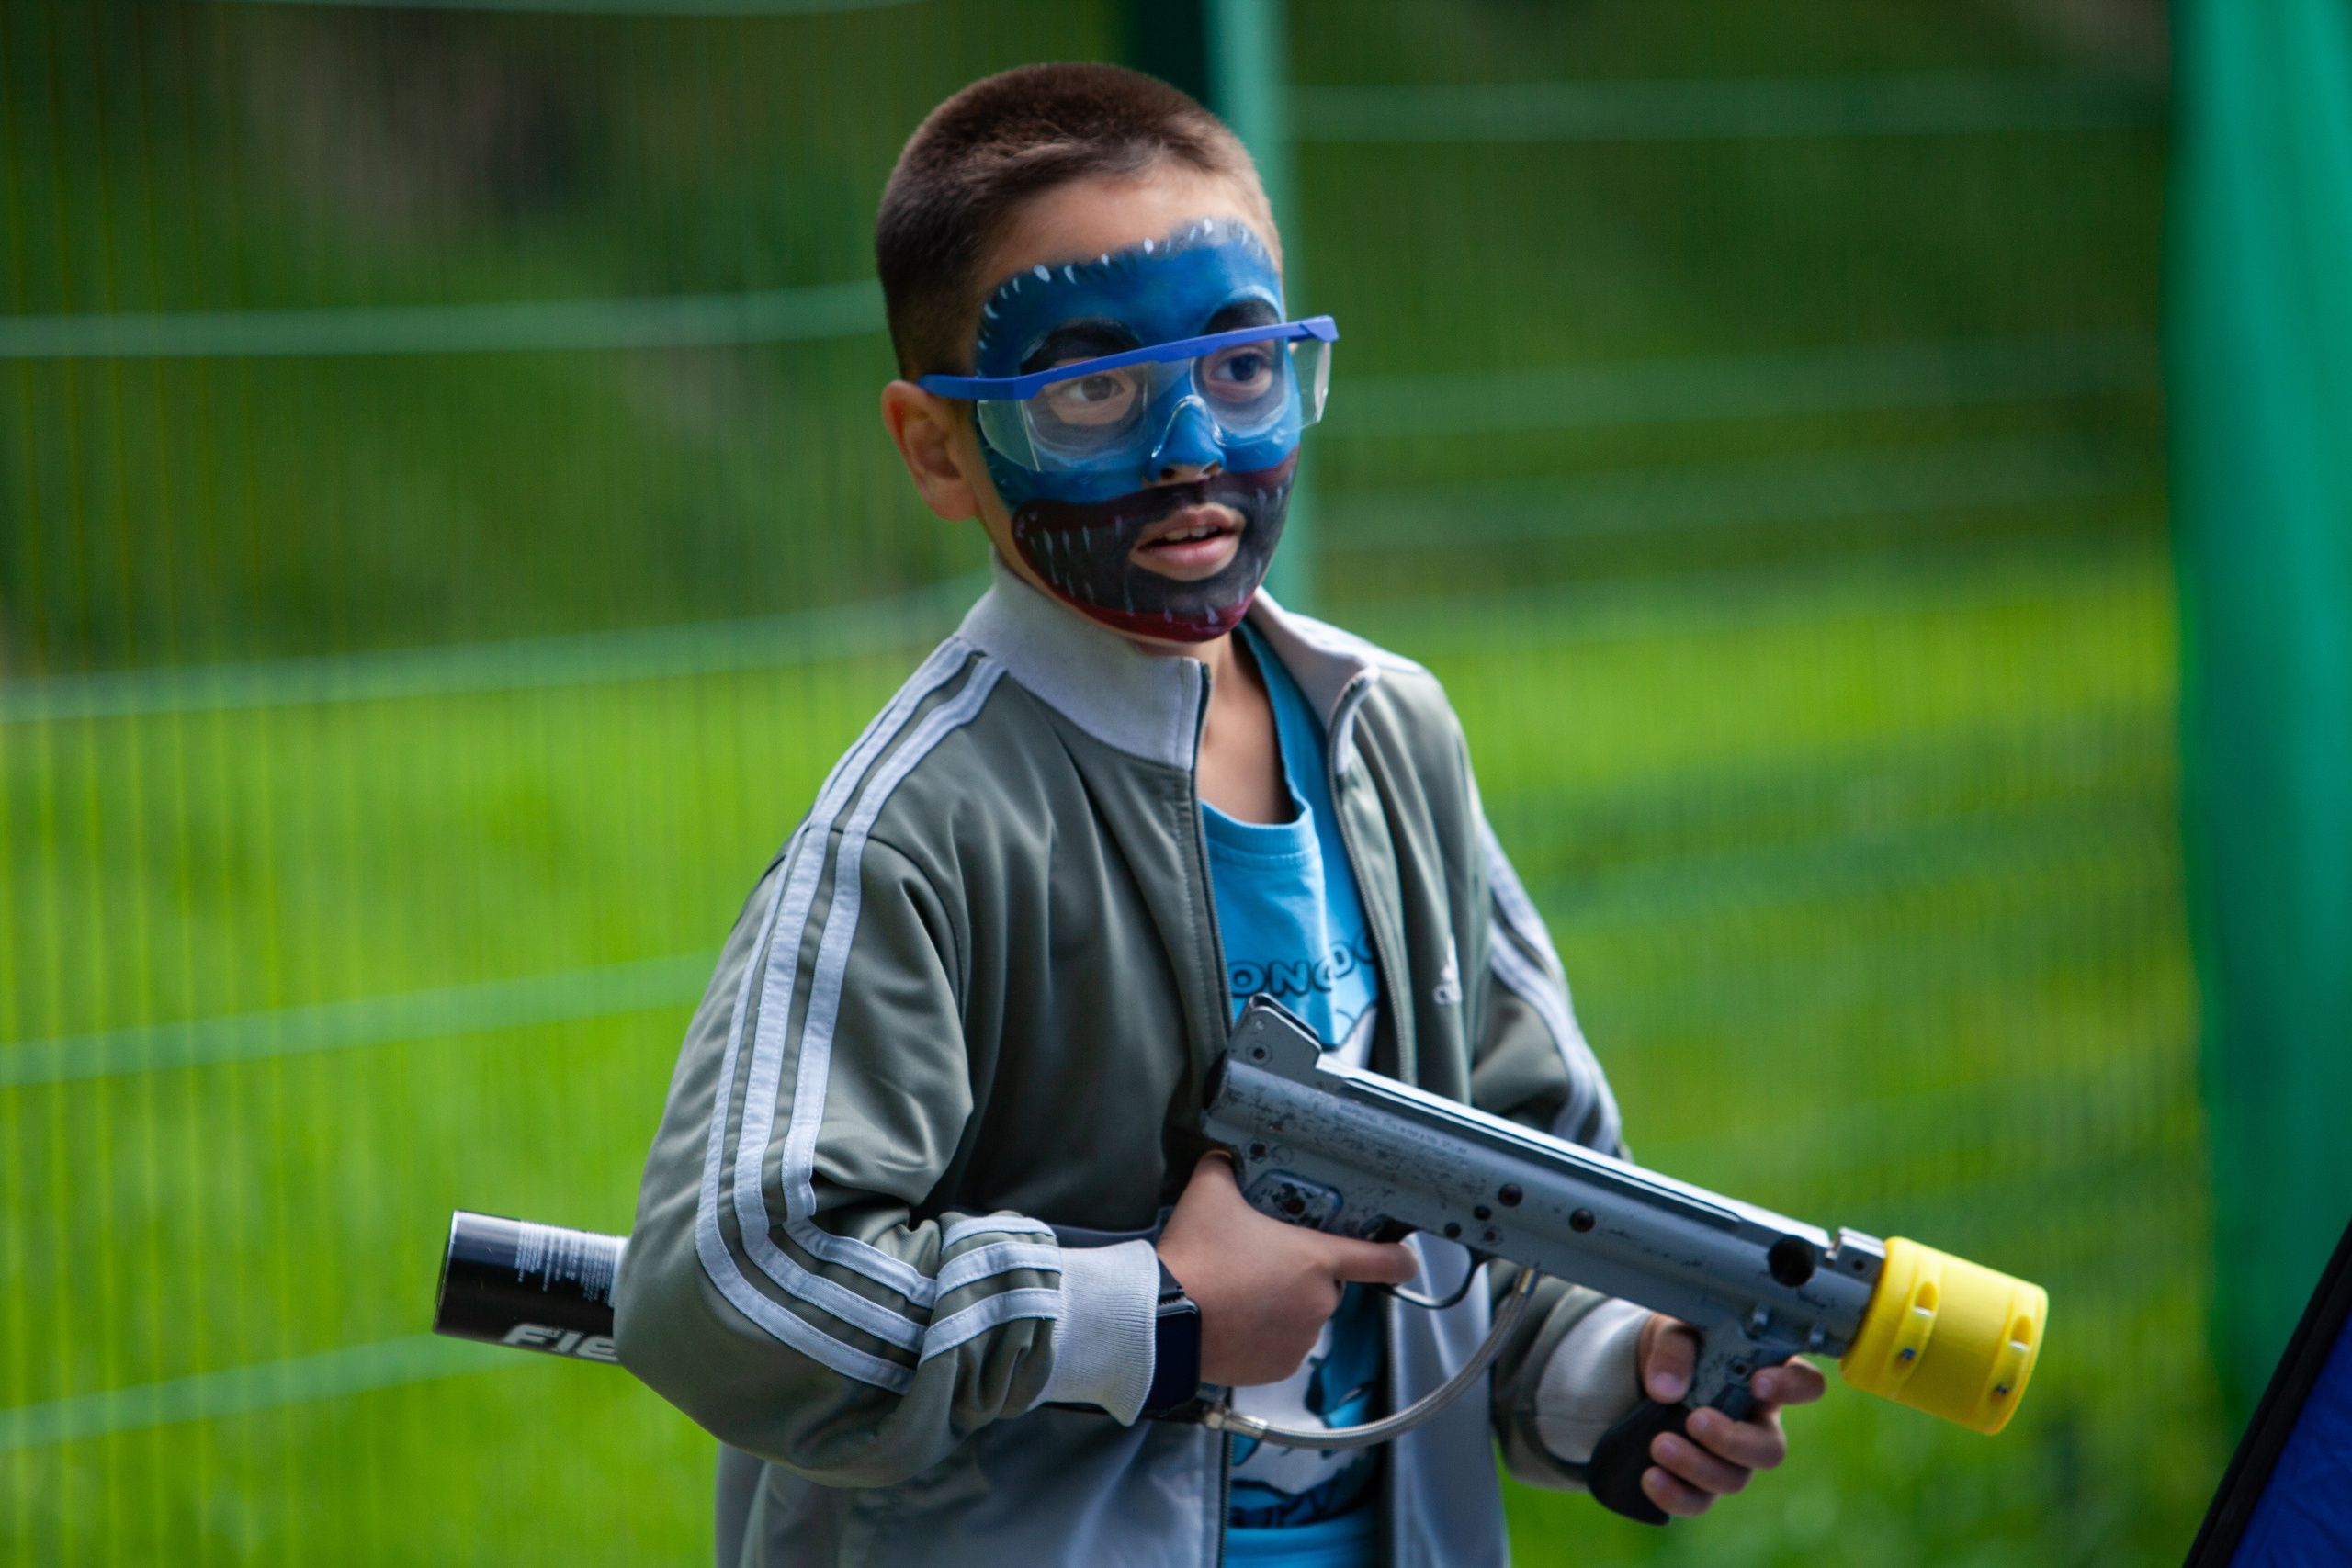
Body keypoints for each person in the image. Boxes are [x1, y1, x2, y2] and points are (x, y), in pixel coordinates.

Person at [614, 62, 1823, 1568]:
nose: (1191, 444)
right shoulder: (921, 829)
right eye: (1090, 390)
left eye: (1242, 367)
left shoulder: (1388, 740)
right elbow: (726, 1286)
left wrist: (1608, 1375)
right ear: (937, 447)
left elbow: (1515, 1199)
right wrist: (1158, 1316)